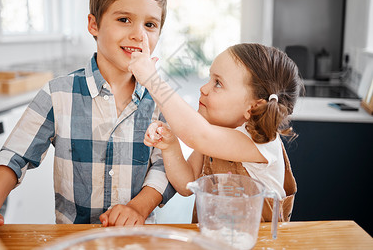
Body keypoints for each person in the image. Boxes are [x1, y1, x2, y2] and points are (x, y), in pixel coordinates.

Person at [0, 0, 175, 229]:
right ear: (94, 24)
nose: (139, 34)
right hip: (71, 238)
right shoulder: (58, 93)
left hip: (136, 238)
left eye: (150, 24)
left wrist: (139, 207)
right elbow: (14, 156)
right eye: (124, 19)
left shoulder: (159, 96)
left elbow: (165, 167)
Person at [129, 42, 301, 221]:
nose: (203, 88)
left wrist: (152, 80)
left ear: (253, 107)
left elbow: (199, 135)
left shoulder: (261, 142)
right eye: (209, 79)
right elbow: (186, 184)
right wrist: (170, 146)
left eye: (218, 83)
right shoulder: (215, 135)